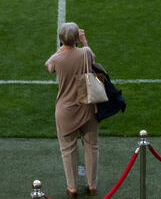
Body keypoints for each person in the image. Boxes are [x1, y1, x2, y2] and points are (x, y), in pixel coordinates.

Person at [45, 22, 99, 198]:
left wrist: (63, 48)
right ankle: (92, 185)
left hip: (65, 111)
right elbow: (92, 56)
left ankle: (72, 188)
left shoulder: (57, 59)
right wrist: (83, 41)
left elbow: (48, 65)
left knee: (67, 150)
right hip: (87, 107)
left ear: (61, 40)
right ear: (77, 37)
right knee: (91, 147)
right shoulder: (85, 53)